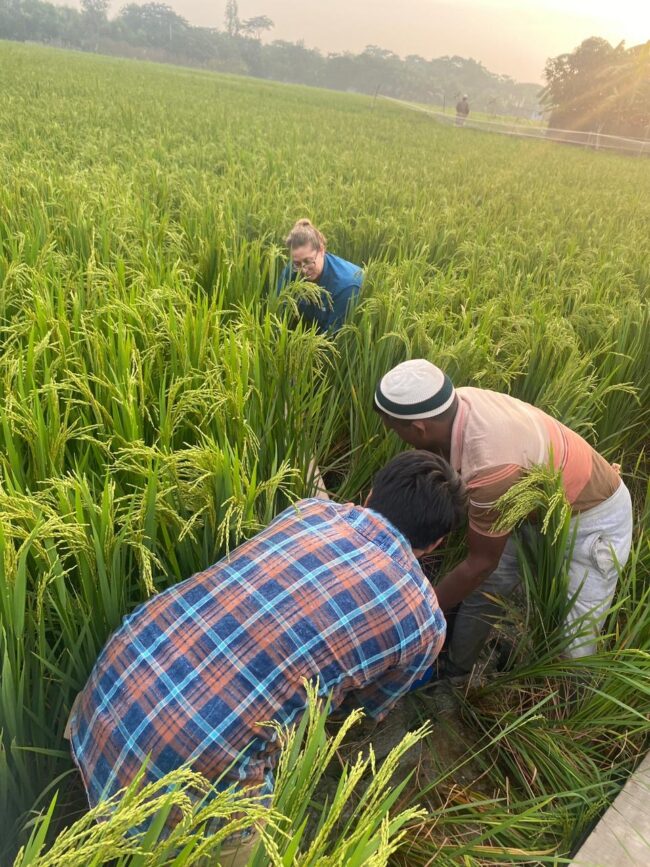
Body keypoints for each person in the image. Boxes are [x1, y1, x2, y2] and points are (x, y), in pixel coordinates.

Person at [67, 450, 466, 863]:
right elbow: (361, 713)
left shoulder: (309, 511)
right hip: (185, 772)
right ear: (436, 542)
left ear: (370, 494)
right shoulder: (425, 623)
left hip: (109, 690)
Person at [374, 359, 633, 675]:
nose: (397, 438)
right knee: (489, 587)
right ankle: (456, 671)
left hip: (591, 519)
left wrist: (414, 616)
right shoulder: (454, 405)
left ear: (419, 428)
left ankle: (573, 699)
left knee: (577, 638)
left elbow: (480, 563)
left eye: (394, 429)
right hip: (529, 508)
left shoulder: (490, 467)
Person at [277, 219, 363, 333]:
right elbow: (279, 312)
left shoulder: (347, 287)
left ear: (322, 250)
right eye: (297, 263)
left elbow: (332, 338)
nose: (303, 269)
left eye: (308, 261)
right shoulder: (292, 269)